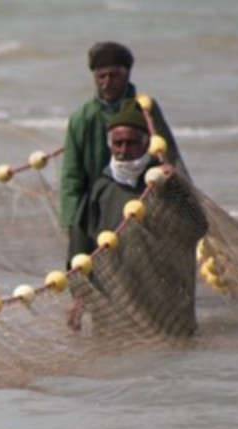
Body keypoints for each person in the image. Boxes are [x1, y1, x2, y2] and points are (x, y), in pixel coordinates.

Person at [66, 100, 207, 333]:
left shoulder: (163, 184)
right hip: (115, 302)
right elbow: (79, 244)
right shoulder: (100, 189)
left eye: (130, 143)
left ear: (145, 144)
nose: (123, 150)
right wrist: (78, 296)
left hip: (163, 303)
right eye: (117, 143)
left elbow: (198, 226)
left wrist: (175, 187)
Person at [59, 41, 186, 233]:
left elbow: (169, 155)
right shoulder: (82, 118)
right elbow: (71, 175)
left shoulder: (145, 109)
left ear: (127, 75)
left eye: (114, 76)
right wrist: (72, 223)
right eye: (101, 76)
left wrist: (176, 180)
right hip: (101, 204)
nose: (107, 82)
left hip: (145, 201)